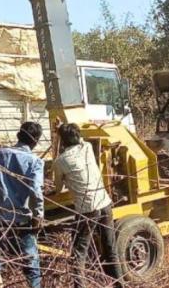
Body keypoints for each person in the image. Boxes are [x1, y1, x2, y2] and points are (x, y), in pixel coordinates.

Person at [51, 123, 123, 288]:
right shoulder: (88, 148)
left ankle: (80, 285)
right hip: (104, 203)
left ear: (62, 141)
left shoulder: (60, 161)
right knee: (110, 248)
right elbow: (80, 139)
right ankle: (120, 284)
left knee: (79, 253)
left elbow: (57, 188)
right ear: (78, 137)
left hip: (87, 209)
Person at [0, 121, 45, 288]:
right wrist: (38, 215)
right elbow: (35, 190)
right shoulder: (35, 161)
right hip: (21, 220)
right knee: (31, 263)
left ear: (19, 135)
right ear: (35, 141)